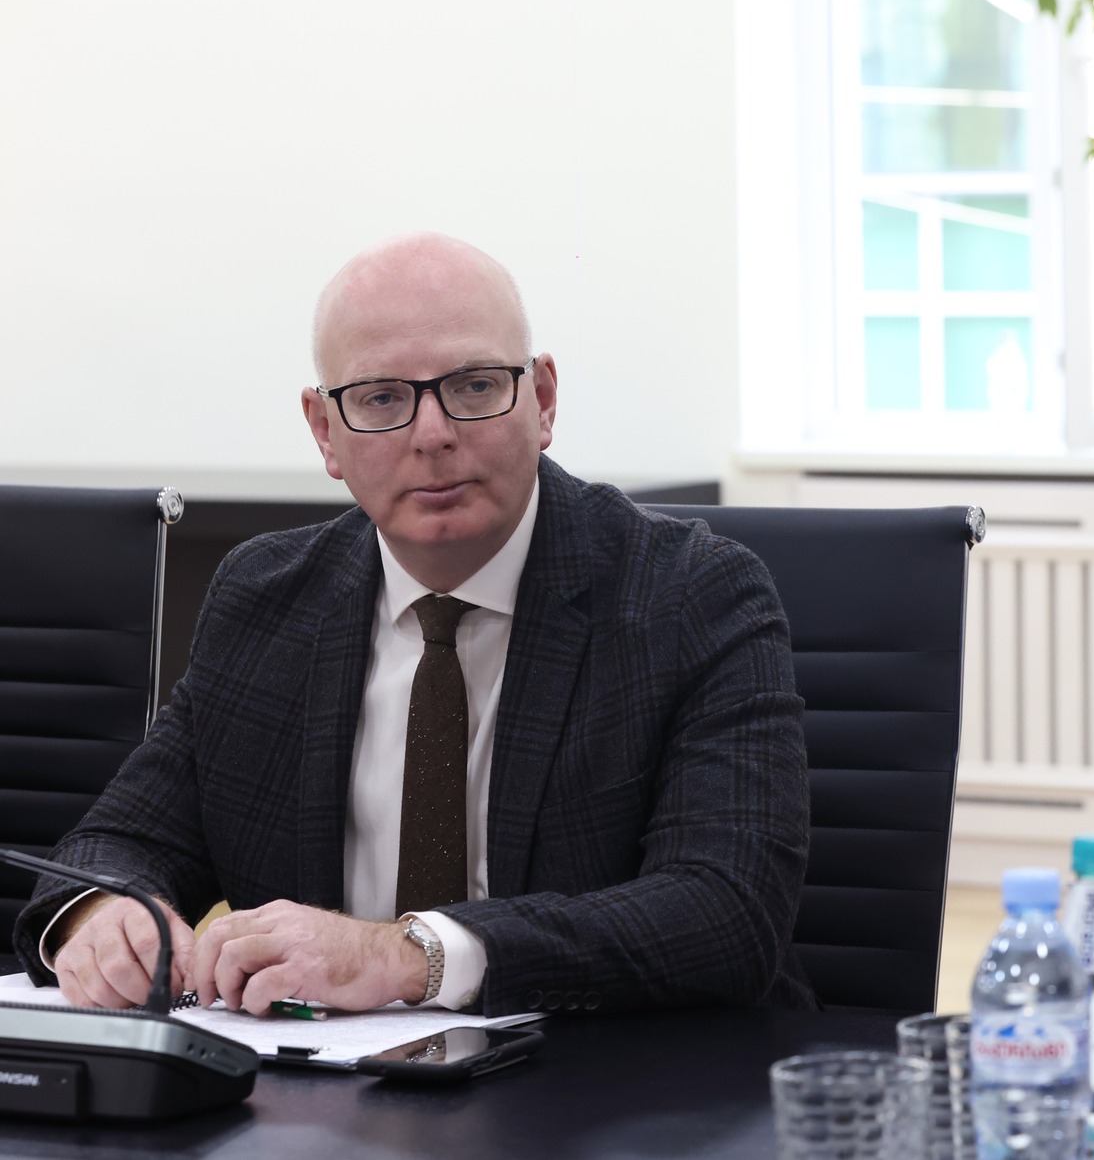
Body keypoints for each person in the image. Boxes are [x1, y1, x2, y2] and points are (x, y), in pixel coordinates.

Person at [11, 232, 813, 1017]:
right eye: (381, 399)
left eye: (474, 386)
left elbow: (727, 911)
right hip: (325, 1089)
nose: (432, 435)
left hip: (615, 1078)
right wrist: (103, 916)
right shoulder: (265, 599)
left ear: (542, 399)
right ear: (325, 431)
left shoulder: (690, 595)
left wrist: (406, 956)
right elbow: (122, 842)